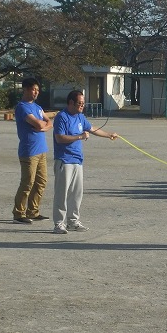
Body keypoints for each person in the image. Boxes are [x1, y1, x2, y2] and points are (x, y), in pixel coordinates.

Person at [52, 90, 118, 234]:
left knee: (76, 194)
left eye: (83, 103)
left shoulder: (80, 117)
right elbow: (60, 138)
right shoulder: (61, 117)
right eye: (79, 103)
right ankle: (59, 223)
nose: (82, 106)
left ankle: (73, 221)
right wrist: (80, 137)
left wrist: (109, 135)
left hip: (77, 160)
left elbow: (92, 129)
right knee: (61, 193)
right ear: (71, 103)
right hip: (64, 160)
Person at [12, 77, 53, 224]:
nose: (36, 92)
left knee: (41, 181)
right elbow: (38, 124)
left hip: (42, 150)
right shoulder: (22, 107)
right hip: (29, 151)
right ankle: (19, 213)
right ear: (25, 89)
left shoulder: (37, 107)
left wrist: (43, 126)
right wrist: (42, 125)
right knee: (27, 182)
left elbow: (48, 123)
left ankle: (33, 211)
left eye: (37, 90)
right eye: (33, 89)